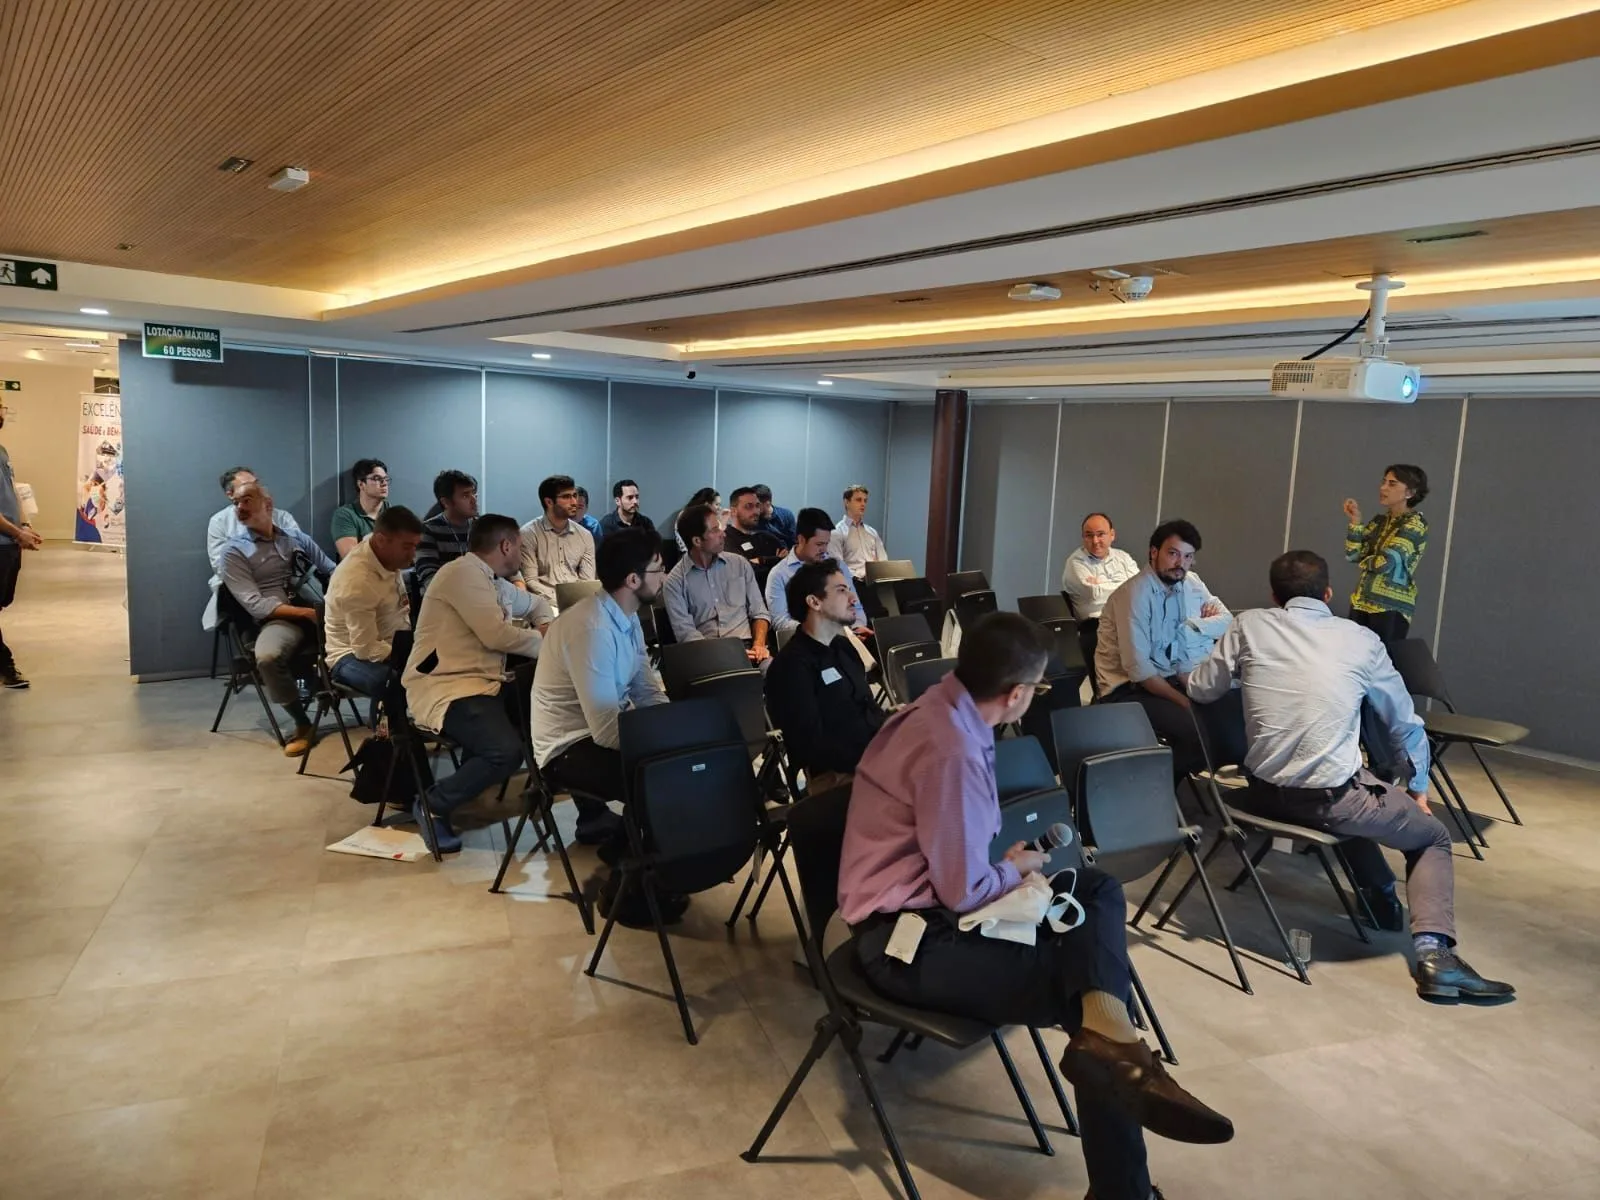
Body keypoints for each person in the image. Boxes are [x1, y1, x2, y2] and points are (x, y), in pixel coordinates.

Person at [839, 612, 1233, 1200]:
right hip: (905, 941)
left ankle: (1113, 1043)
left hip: (935, 909)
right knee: (1081, 995)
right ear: (1017, 694)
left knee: (1096, 889)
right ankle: (1122, 1175)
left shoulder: (944, 708)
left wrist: (1005, 869)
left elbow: (951, 861)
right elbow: (962, 891)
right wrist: (1014, 870)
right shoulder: (952, 751)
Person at [1188, 551, 1514, 1002]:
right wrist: (1418, 787)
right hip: (1328, 802)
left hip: (1260, 793)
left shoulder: (1248, 625)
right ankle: (1436, 956)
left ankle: (1380, 897)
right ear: (1328, 594)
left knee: (1359, 791)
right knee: (1432, 836)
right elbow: (1404, 723)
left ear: (1273, 596)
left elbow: (1202, 687)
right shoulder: (1361, 640)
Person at [532, 526, 668, 883]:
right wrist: (662, 742)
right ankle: (633, 875)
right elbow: (606, 732)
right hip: (567, 748)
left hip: (600, 731)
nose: (665, 576)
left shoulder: (627, 616)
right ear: (633, 579)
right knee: (659, 776)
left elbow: (646, 690)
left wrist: (672, 727)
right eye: (659, 569)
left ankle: (626, 850)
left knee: (677, 762)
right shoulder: (591, 629)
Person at [402, 514, 541, 854]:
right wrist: (548, 641)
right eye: (519, 547)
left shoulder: (492, 581)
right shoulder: (461, 574)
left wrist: (545, 624)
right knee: (504, 752)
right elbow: (496, 635)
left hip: (485, 684)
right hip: (448, 686)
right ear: (505, 546)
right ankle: (433, 803)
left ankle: (584, 810)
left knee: (555, 708)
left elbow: (536, 604)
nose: (521, 554)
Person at [1095, 520, 1230, 781]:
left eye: (1188, 557)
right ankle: (1152, 791)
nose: (1181, 563)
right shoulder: (1135, 594)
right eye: (1173, 553)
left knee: (1225, 712)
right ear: (1154, 552)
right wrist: (1184, 701)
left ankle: (1170, 784)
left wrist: (1194, 689)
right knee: (1195, 731)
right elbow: (1141, 671)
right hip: (1126, 690)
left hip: (1164, 679)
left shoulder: (1181, 587)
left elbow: (1180, 651)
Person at [219, 483, 338, 756]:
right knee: (268, 657)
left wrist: (338, 604)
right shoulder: (234, 552)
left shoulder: (296, 538)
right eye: (236, 503)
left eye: (246, 500)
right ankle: (302, 722)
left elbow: (333, 571)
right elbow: (255, 605)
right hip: (282, 618)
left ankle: (387, 717)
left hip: (319, 610)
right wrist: (308, 614)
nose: (239, 508)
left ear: (268, 504)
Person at [763, 559, 884, 793]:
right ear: (814, 602)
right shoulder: (791, 667)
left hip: (872, 761)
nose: (853, 598)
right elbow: (810, 745)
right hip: (836, 777)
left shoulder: (845, 647)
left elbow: (869, 708)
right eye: (841, 590)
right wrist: (872, 759)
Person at [324, 506, 423, 699]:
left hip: (391, 642)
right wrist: (410, 657)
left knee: (441, 664)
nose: (413, 555)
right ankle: (391, 719)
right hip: (349, 655)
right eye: (406, 547)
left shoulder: (382, 550)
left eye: (415, 546)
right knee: (393, 682)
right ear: (381, 541)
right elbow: (365, 649)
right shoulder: (358, 581)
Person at [663, 503, 771, 665]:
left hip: (749, 648)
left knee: (775, 670)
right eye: (715, 530)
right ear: (697, 541)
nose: (723, 534)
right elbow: (686, 635)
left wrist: (759, 644)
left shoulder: (739, 564)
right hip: (707, 655)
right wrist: (727, 654)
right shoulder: (675, 582)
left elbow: (759, 612)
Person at [204, 467, 303, 631]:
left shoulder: (282, 517)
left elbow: (299, 553)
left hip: (284, 584)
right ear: (230, 495)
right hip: (243, 589)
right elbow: (221, 566)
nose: (255, 489)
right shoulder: (219, 522)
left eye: (256, 484)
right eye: (247, 486)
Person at [1343, 464, 1429, 644]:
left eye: (1392, 484)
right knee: (1355, 655)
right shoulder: (1379, 521)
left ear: (1410, 493)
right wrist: (1356, 522)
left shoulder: (1415, 524)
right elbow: (1352, 554)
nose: (1383, 488)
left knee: (1382, 658)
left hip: (1391, 607)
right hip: (1361, 601)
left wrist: (1365, 562)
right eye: (1384, 482)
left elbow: (1385, 563)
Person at [764, 506, 869, 636]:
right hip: (806, 639)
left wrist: (857, 627)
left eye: (827, 543)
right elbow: (780, 622)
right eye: (819, 544)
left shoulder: (838, 566)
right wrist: (821, 629)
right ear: (801, 540)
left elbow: (856, 606)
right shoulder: (779, 574)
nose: (824, 549)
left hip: (846, 636)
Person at [0, 409, 42, 689]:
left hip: (9, 543)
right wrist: (17, 533)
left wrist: (24, 525)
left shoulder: (2, 451)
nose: (2, 412)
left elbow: (11, 491)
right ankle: (5, 666)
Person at [519, 474, 596, 611]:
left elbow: (587, 581)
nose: (574, 502)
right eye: (566, 497)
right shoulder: (528, 534)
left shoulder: (585, 535)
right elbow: (530, 580)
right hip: (544, 603)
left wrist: (577, 603)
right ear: (549, 502)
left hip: (578, 603)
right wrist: (562, 601)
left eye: (575, 495)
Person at [723, 486, 785, 584]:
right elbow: (745, 572)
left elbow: (786, 563)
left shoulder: (766, 537)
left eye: (757, 506)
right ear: (734, 511)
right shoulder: (725, 538)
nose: (756, 511)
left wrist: (760, 560)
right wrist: (774, 560)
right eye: (749, 506)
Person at [332, 458, 390, 558]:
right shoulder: (346, 515)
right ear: (361, 484)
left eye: (386, 479)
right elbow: (352, 558)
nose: (384, 483)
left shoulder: (394, 514)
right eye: (377, 478)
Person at [834, 484, 888, 581]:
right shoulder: (837, 532)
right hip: (852, 583)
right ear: (847, 502)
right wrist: (857, 578)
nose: (863, 504)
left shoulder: (872, 532)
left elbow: (883, 560)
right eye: (858, 500)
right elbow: (837, 565)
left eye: (865, 501)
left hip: (874, 581)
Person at [598, 478, 654, 542]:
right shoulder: (607, 524)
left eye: (637, 497)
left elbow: (655, 547)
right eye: (630, 497)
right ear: (617, 501)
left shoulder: (646, 523)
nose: (635, 501)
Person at [753, 483, 796, 549]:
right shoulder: (751, 519)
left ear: (767, 504)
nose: (753, 509)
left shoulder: (786, 515)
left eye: (757, 505)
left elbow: (794, 542)